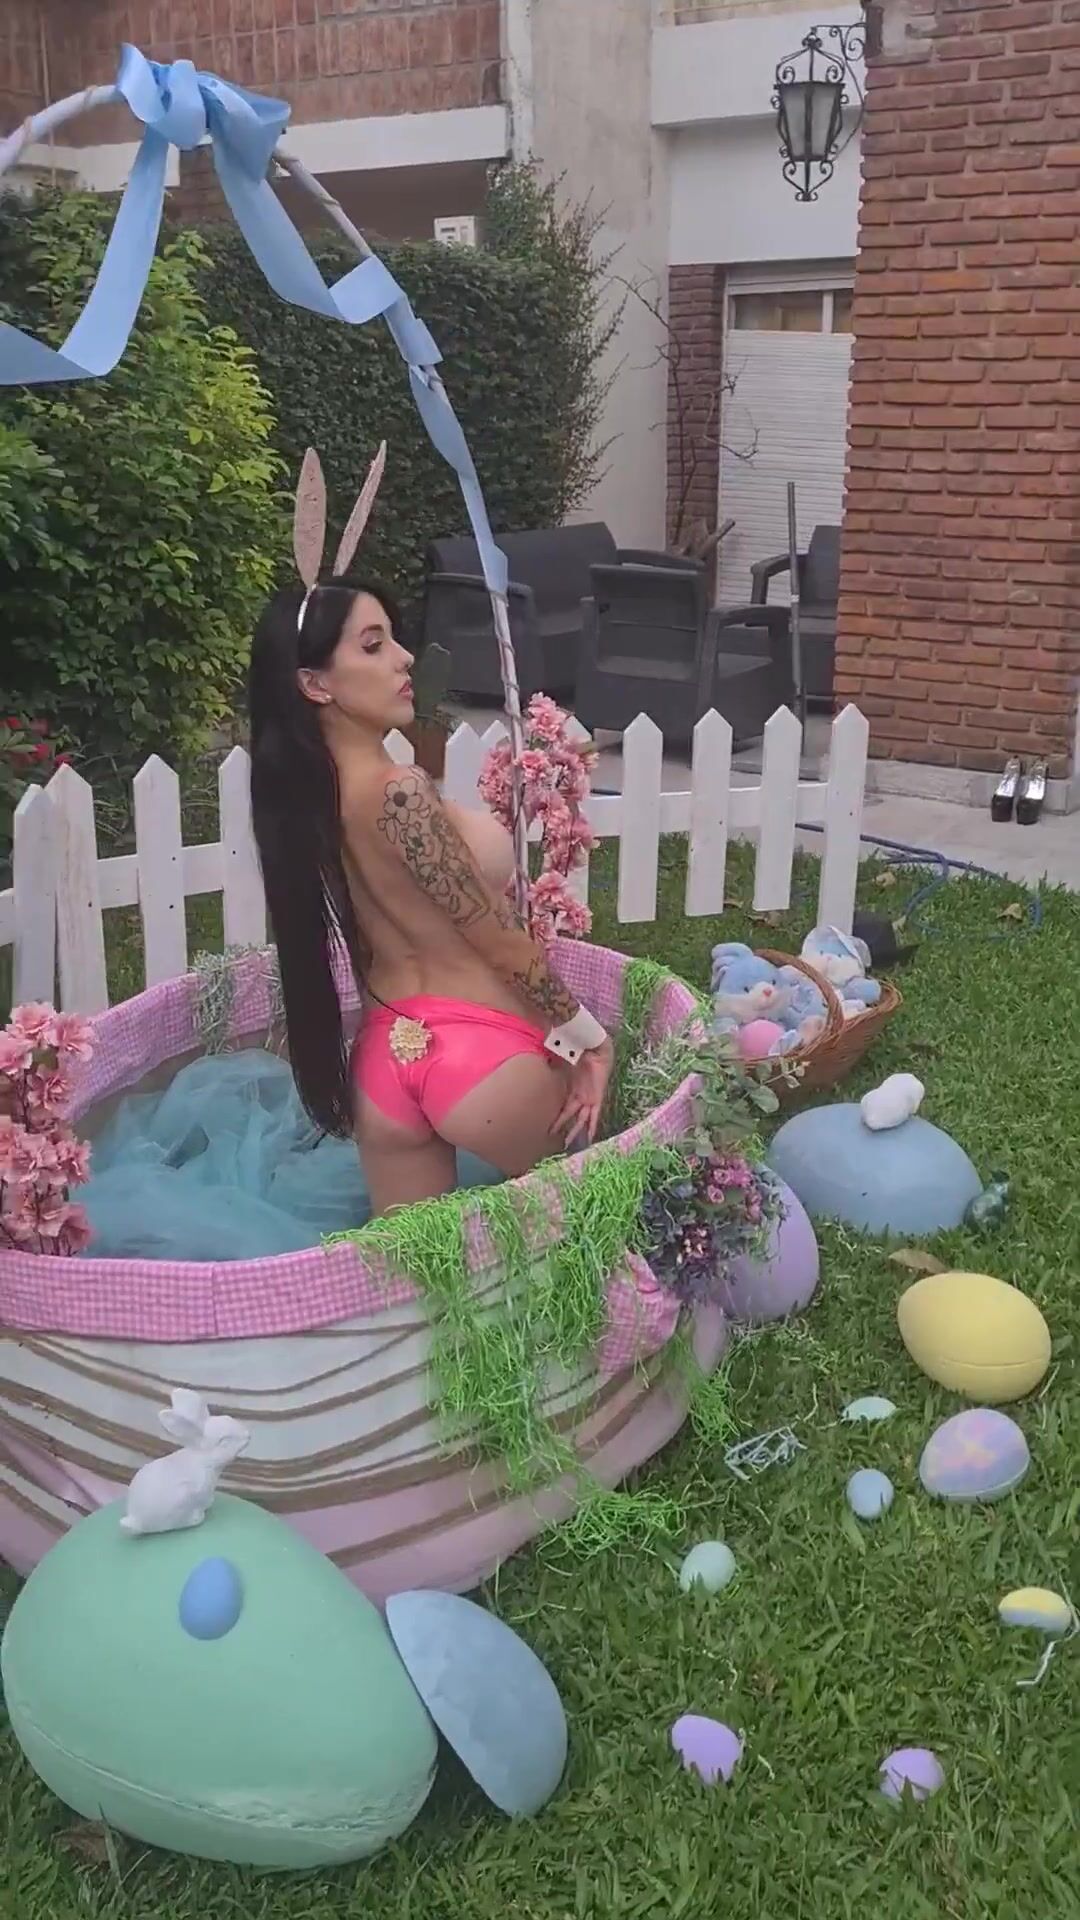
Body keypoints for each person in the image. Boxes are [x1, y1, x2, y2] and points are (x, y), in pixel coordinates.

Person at [248, 574, 614, 1216]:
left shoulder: (311, 802)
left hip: (383, 1063)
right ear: (315, 684)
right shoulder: (399, 793)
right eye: (373, 645)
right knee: (585, 1228)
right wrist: (588, 1036)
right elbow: (495, 935)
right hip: (479, 1050)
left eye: (394, 639)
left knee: (414, 1268)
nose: (404, 658)